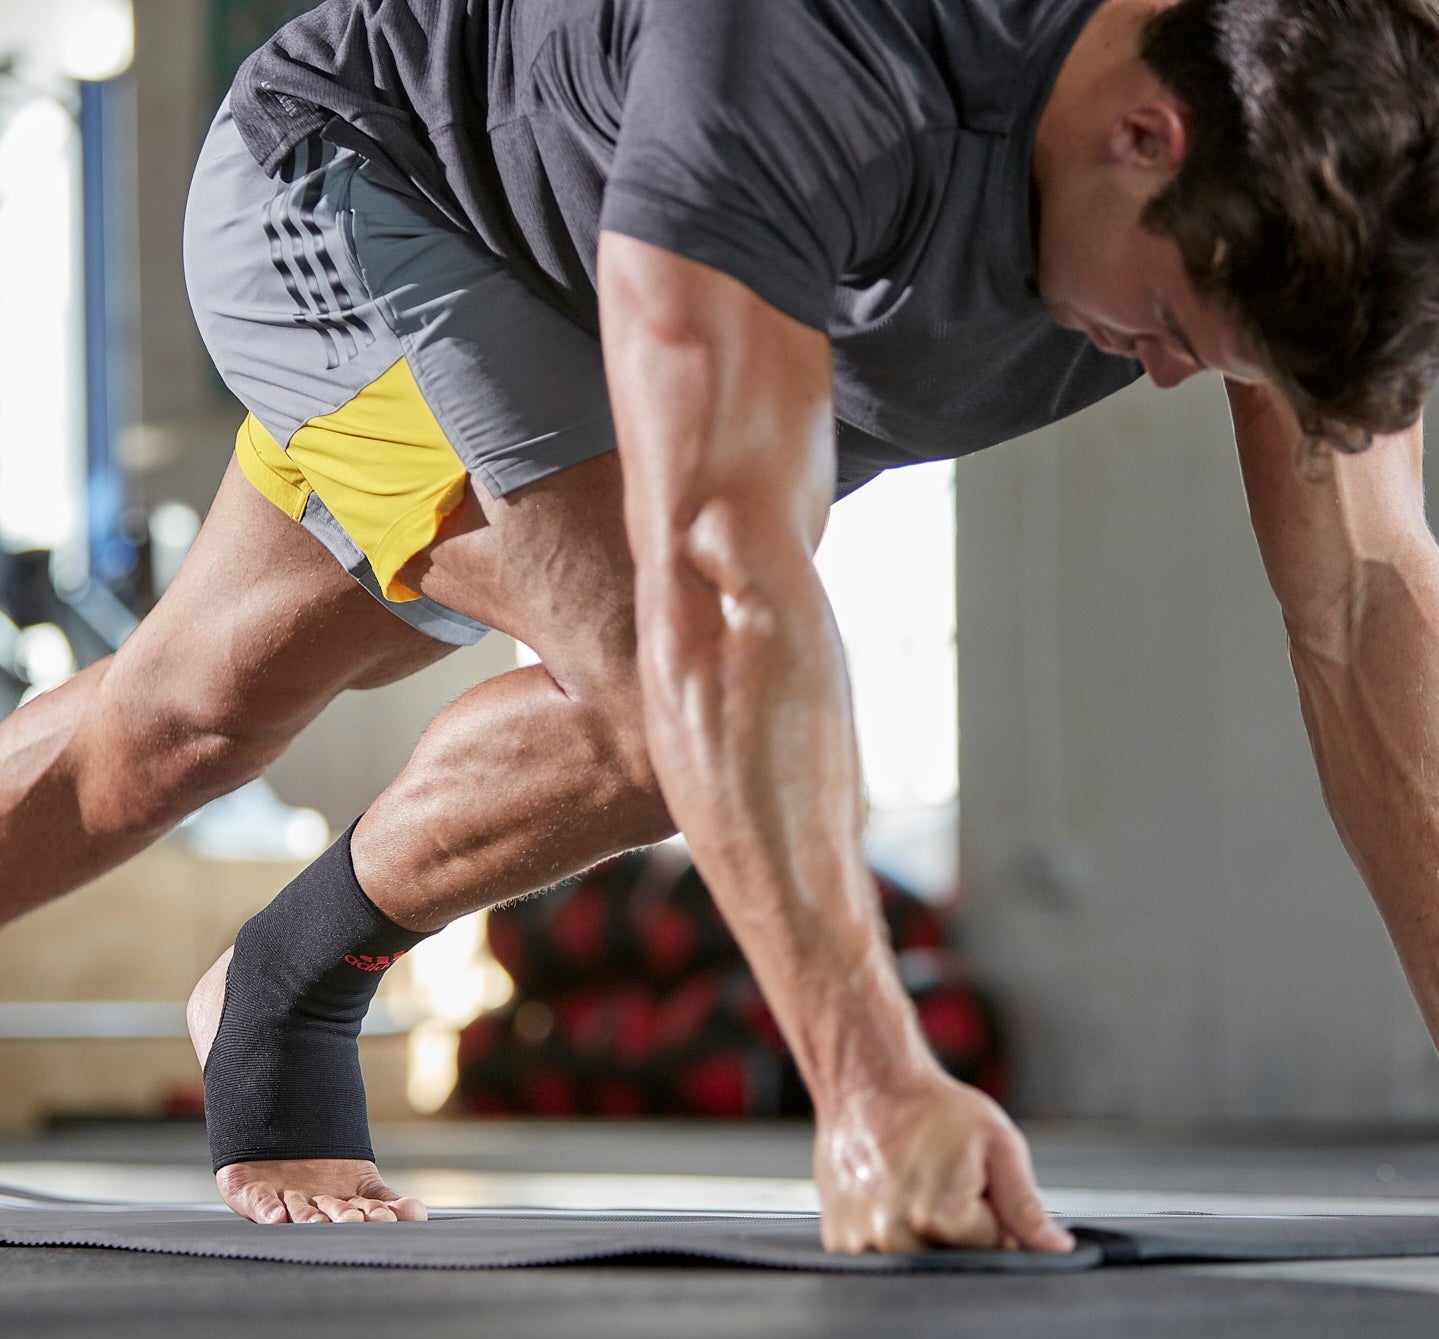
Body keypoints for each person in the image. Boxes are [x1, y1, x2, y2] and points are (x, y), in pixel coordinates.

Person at [4, 0, 1439, 1251]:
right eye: (1179, 321)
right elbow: (719, 587)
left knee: (176, 722)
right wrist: (872, 1084)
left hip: (609, 317)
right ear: (1146, 135)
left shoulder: (1314, 134)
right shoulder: (827, 49)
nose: (1177, 375)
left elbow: (1368, 605)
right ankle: (291, 983)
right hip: (380, 193)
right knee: (666, 688)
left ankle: (271, 978)